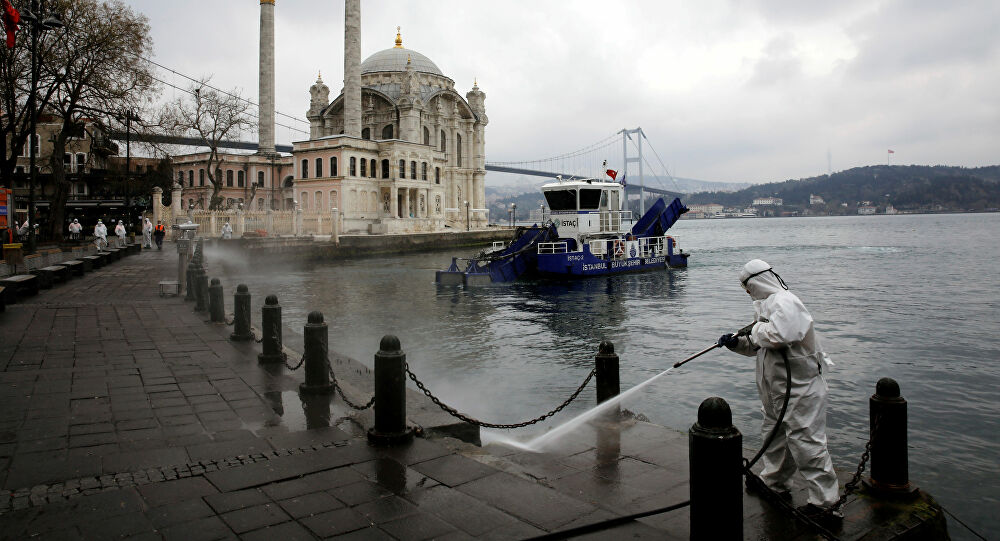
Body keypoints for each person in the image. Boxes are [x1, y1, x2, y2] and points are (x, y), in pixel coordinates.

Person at [717, 259, 840, 519]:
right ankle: (775, 483)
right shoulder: (764, 307)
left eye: (748, 287)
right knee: (774, 438)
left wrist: (755, 329)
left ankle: (825, 503)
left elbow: (781, 335)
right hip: (777, 390)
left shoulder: (785, 302)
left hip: (800, 389)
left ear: (759, 281)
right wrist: (736, 343)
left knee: (807, 443)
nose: (748, 293)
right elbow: (758, 345)